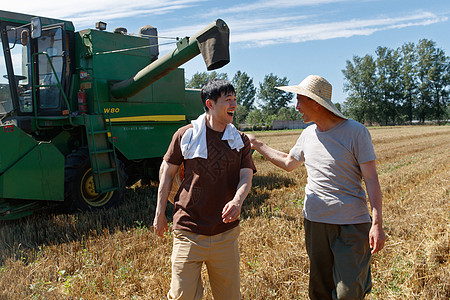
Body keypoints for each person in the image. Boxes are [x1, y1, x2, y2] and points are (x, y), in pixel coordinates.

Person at [248, 75, 386, 300]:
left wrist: (377, 223)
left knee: (348, 293)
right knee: (319, 291)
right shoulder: (307, 134)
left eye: (300, 100)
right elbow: (288, 163)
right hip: (316, 223)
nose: (297, 107)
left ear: (316, 102)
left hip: (351, 224)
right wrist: (257, 144)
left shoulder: (356, 132)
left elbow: (371, 178)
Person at [153, 79, 256, 300]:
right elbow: (167, 174)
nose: (234, 105)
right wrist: (159, 213)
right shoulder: (185, 135)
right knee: (182, 296)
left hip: (225, 233)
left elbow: (246, 175)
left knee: (229, 297)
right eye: (228, 100)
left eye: (235, 100)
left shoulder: (240, 140)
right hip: (188, 230)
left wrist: (238, 200)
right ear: (210, 103)